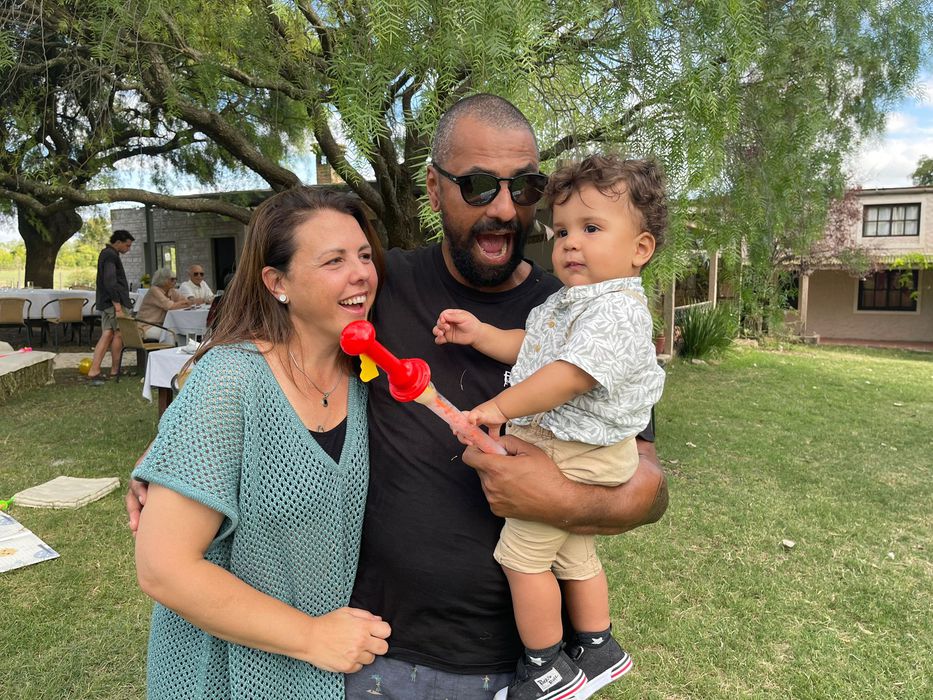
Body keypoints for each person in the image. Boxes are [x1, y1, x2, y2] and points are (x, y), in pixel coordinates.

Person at [127, 94, 668, 700]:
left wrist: (558, 497)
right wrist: (175, 453)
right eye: (479, 185)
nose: (503, 207)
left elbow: (648, 486)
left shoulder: (580, 314)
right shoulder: (380, 287)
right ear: (434, 189)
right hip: (380, 658)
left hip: (527, 668)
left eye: (524, 187)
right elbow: (276, 346)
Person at [131, 187, 391, 700]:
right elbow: (163, 568)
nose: (361, 273)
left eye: (364, 256)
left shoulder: (363, 376)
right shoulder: (232, 379)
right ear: (277, 282)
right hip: (222, 676)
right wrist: (311, 636)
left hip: (321, 674)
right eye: (334, 261)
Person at [433, 155, 667, 699]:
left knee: (520, 558)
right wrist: (481, 333)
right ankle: (600, 646)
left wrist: (499, 407)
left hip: (580, 449)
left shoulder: (617, 310)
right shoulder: (572, 302)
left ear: (640, 249)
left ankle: (546, 670)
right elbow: (535, 350)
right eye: (562, 231)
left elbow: (568, 374)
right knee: (573, 556)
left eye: (591, 229)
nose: (570, 243)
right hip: (582, 449)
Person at [88, 229, 134, 384]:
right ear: (118, 242)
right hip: (114, 302)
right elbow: (110, 281)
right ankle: (115, 370)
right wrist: (118, 307)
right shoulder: (110, 255)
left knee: (107, 333)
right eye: (127, 245)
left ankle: (95, 369)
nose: (128, 249)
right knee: (119, 334)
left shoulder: (106, 253)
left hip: (106, 302)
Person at [135, 267, 195, 340]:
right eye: (172, 279)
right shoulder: (154, 290)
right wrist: (183, 303)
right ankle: (169, 348)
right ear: (162, 280)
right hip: (146, 326)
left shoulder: (171, 290)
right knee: (172, 334)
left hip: (162, 325)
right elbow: (169, 306)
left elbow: (187, 302)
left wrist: (183, 302)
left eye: (176, 279)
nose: (175, 281)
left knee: (183, 331)